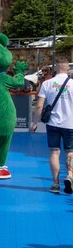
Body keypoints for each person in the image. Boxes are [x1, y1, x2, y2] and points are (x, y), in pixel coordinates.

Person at [31, 62, 73, 194]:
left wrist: (35, 122)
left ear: (56, 69)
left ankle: (55, 183)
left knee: (54, 153)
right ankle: (70, 176)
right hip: (70, 124)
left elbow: (39, 105)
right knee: (70, 152)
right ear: (68, 69)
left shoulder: (47, 83)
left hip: (53, 124)